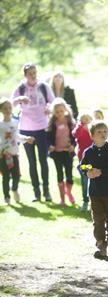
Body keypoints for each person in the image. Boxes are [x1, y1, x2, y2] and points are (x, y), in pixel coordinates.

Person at [11, 62, 54, 202]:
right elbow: (9, 105)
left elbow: (53, 102)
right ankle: (37, 193)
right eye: (30, 73)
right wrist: (19, 99)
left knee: (43, 160)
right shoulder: (20, 88)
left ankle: (46, 191)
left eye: (35, 72)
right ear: (25, 75)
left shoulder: (43, 86)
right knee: (31, 162)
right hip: (25, 129)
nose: (33, 75)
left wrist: (49, 108)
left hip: (42, 127)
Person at [81, 121, 108, 259]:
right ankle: (101, 243)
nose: (103, 134)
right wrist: (87, 172)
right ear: (92, 136)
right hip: (95, 192)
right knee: (98, 219)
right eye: (99, 132)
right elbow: (82, 166)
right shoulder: (88, 152)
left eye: (105, 131)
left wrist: (102, 171)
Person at [0, 98, 35, 204]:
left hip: (14, 153)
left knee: (16, 175)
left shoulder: (15, 123)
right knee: (5, 176)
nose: (7, 110)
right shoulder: (0, 125)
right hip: (3, 155)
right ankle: (7, 197)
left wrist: (26, 138)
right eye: (5, 108)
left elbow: (16, 136)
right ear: (1, 110)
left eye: (9, 108)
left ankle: (14, 189)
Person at [46, 98, 76, 205]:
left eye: (61, 111)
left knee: (69, 175)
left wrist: (73, 145)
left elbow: (74, 137)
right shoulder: (52, 123)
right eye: (57, 111)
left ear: (66, 110)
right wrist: (50, 146)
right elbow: (48, 137)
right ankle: (62, 198)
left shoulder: (70, 121)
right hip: (57, 153)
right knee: (59, 174)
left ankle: (69, 193)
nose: (59, 113)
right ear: (54, 112)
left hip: (68, 152)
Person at [73, 112, 93, 212]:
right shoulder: (79, 128)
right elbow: (75, 134)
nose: (85, 121)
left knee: (94, 180)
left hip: (93, 159)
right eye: (83, 119)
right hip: (83, 159)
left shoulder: (93, 128)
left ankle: (93, 202)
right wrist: (81, 126)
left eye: (87, 118)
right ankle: (85, 201)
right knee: (85, 180)